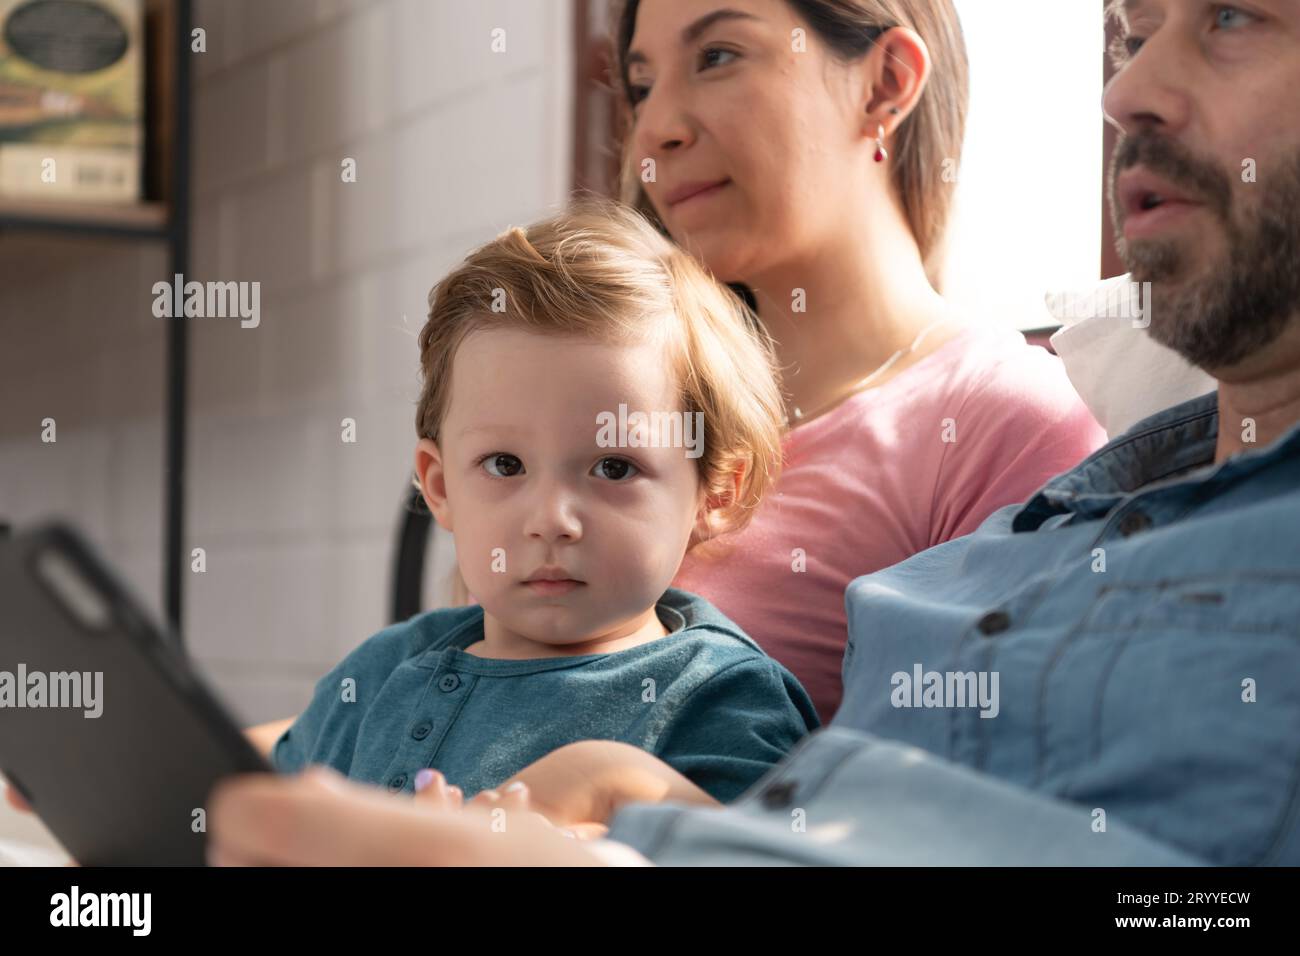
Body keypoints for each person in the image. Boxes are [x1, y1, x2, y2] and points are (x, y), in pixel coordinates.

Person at [195, 0, 1300, 865]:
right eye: (636, 82)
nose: (654, 125)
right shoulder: (1043, 534)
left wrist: (631, 810)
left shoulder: (1003, 431)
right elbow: (427, 701)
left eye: (719, 54)